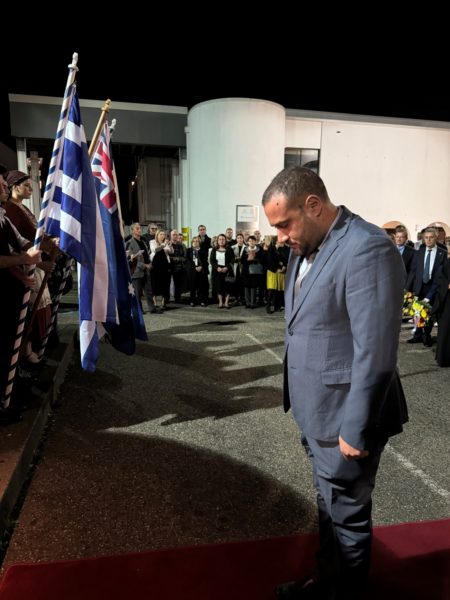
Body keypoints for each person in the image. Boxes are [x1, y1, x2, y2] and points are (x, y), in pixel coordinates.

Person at [262, 167, 408, 600]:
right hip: (317, 412)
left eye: (284, 224)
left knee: (347, 519)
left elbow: (375, 352)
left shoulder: (367, 248)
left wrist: (355, 429)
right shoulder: (304, 246)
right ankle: (326, 582)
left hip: (346, 420)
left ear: (313, 205)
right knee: (328, 506)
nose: (279, 237)